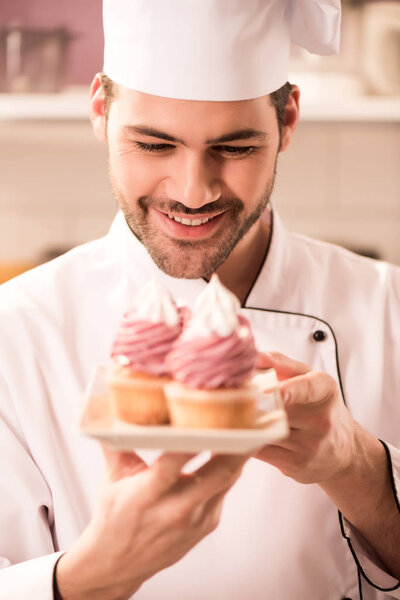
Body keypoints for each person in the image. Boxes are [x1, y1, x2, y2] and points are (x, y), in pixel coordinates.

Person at [1, 1, 399, 598]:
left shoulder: (389, 308)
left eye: (235, 149)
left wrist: (360, 470)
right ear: (100, 114)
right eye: (155, 145)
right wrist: (89, 576)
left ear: (288, 119)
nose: (193, 192)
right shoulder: (18, 333)